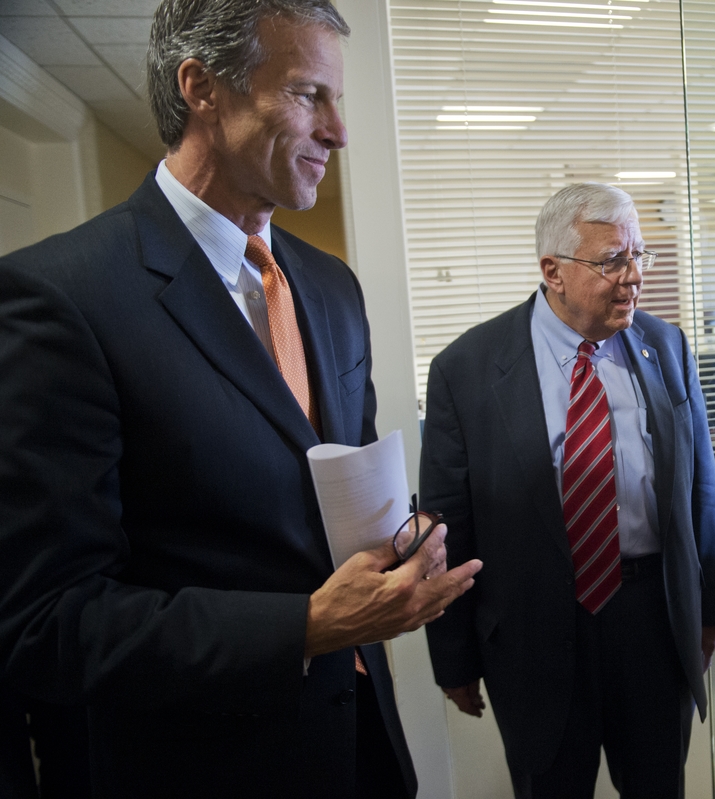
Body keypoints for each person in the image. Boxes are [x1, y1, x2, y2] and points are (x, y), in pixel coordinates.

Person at [0, 1, 481, 796]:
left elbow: (339, 495)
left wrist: (404, 540)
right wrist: (309, 625)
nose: (339, 131)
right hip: (206, 766)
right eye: (307, 96)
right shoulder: (61, 299)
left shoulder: (331, 287)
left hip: (362, 744)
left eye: (338, 100)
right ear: (203, 89)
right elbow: (51, 623)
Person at [421, 182, 715, 798]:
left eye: (640, 256)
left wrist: (714, 605)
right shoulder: (467, 368)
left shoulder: (665, 346)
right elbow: (447, 522)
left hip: (652, 619)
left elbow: (699, 482)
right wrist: (452, 656)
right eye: (612, 260)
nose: (634, 277)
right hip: (535, 631)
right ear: (553, 271)